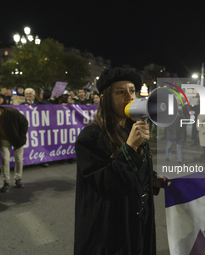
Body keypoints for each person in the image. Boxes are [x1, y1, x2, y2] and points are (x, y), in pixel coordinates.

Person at [74, 67, 169, 255]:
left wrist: (152, 179)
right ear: (105, 98)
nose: (129, 96)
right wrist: (130, 147)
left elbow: (136, 171)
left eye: (132, 91)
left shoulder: (131, 129)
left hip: (137, 222)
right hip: (111, 231)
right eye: (120, 92)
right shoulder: (91, 137)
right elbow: (107, 184)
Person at [0, 101, 28, 192]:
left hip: (17, 139)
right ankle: (6, 182)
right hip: (3, 140)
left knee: (18, 159)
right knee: (5, 160)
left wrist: (21, 136)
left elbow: (24, 122)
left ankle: (18, 179)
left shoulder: (12, 112)